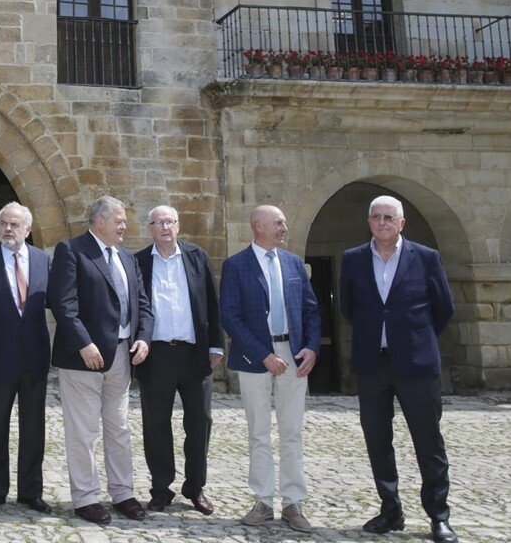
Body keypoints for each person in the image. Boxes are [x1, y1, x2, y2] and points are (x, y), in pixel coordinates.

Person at [340, 196, 457, 543]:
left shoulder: (426, 257)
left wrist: (414, 338)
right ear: (369, 222)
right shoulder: (353, 259)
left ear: (402, 223)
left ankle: (439, 515)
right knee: (378, 440)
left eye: (389, 217)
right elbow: (349, 307)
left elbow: (443, 308)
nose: (382, 222)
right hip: (373, 364)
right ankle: (390, 509)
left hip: (417, 365)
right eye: (376, 217)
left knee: (428, 441)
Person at [48, 196, 153, 526]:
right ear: (99, 221)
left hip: (122, 354)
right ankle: (86, 498)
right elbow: (63, 304)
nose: (124, 226)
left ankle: (123, 493)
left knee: (119, 427)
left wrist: (143, 337)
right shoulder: (72, 250)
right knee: (83, 431)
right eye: (119, 220)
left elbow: (142, 303)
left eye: (124, 221)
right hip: (83, 358)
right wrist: (84, 344)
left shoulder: (126, 256)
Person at [220, 204, 320, 533]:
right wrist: (263, 354)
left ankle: (293, 502)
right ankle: (262, 500)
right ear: (258, 226)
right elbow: (230, 316)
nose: (284, 228)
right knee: (258, 432)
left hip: (293, 353)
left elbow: (310, 310)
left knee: (292, 431)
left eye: (284, 222)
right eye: (278, 223)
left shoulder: (292, 263)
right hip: (254, 357)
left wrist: (311, 348)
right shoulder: (236, 265)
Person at [134, 204, 223, 515]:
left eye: (169, 221)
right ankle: (161, 489)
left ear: (178, 225)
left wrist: (216, 345)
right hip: (156, 354)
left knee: (200, 421)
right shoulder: (139, 262)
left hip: (194, 353)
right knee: (156, 423)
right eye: (158, 222)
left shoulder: (196, 256)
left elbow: (211, 301)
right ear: (149, 228)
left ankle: (195, 488)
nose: (164, 227)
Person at [0, 202, 52, 513]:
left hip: (34, 357)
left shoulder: (43, 260)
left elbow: (59, 302)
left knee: (34, 428)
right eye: (3, 223)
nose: (8, 229)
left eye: (14, 224)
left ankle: (31, 492)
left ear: (27, 230)